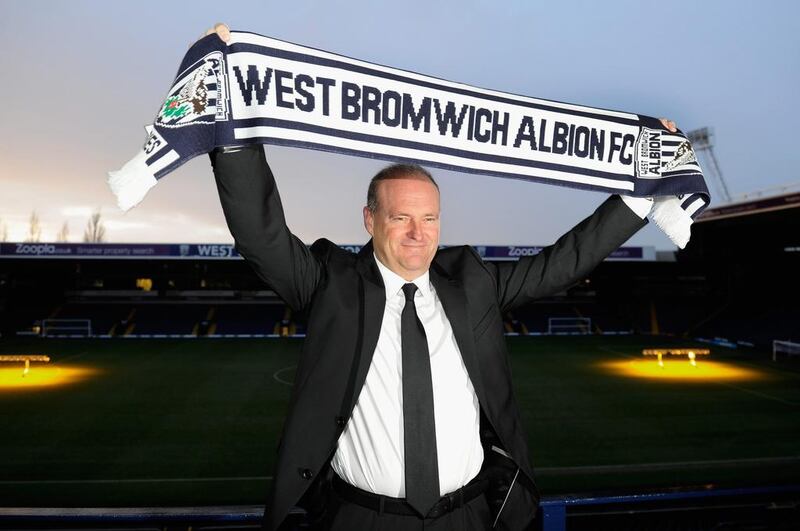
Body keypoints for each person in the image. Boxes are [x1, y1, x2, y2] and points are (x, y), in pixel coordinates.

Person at [203, 23, 676, 531]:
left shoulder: (471, 284)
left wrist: (640, 195)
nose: (417, 233)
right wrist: (232, 120)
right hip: (362, 520)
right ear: (369, 220)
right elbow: (261, 234)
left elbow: (563, 262)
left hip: (469, 516)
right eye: (400, 217)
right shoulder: (330, 284)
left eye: (429, 218)